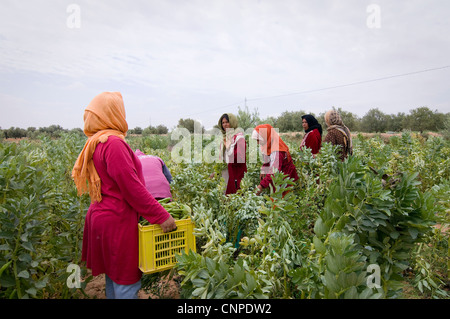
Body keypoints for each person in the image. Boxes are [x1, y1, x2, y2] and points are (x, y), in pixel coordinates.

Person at [72, 91, 177, 299]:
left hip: (102, 217)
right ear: (112, 113)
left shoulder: (96, 142)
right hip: (117, 221)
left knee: (114, 277)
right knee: (127, 282)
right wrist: (161, 216)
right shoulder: (113, 143)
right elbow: (132, 188)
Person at [251, 124, 299, 195]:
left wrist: (261, 186)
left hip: (285, 181)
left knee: (280, 202)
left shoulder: (277, 151)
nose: (258, 143)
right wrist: (264, 169)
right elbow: (268, 159)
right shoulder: (270, 144)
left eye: (258, 140)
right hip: (280, 179)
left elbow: (274, 172)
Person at [217, 113, 247, 195]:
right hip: (226, 172)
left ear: (232, 122)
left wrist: (228, 148)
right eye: (223, 123)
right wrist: (216, 171)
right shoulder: (224, 137)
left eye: (227, 122)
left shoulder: (239, 137)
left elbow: (240, 159)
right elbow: (222, 157)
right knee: (225, 196)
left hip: (236, 173)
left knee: (235, 197)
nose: (225, 125)